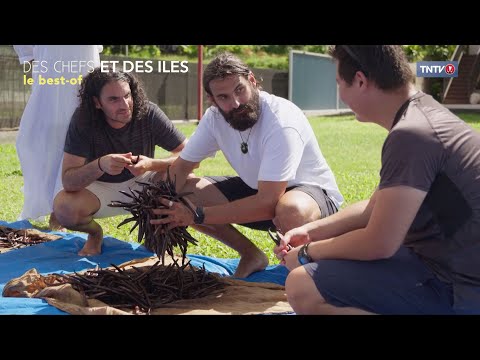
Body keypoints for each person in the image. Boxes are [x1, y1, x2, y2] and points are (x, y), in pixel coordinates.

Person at [274, 45, 480, 315]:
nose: (339, 93)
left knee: (302, 286)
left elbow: (379, 243)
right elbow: (374, 209)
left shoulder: (411, 135)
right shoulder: (424, 115)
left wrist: (307, 253)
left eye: (339, 83)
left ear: (360, 80)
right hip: (447, 265)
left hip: (460, 287)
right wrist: (311, 232)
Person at [150, 52, 343, 278]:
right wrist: (158, 204)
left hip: (310, 197)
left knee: (291, 209)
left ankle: (300, 269)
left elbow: (268, 202)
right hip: (260, 192)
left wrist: (196, 216)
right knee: (171, 186)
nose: (236, 102)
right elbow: (182, 167)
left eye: (239, 90)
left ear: (252, 81)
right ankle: (251, 254)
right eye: (223, 97)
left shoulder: (281, 121)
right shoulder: (214, 118)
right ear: (212, 100)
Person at [53, 67, 187, 256]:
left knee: (180, 175)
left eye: (127, 95)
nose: (124, 105)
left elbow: (190, 156)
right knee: (64, 208)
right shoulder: (84, 119)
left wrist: (151, 164)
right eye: (114, 99)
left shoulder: (149, 113)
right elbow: (69, 180)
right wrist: (100, 164)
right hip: (99, 188)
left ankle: (155, 235)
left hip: (145, 184)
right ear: (97, 103)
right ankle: (95, 234)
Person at [13, 45, 103, 230]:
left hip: (84, 82)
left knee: (77, 139)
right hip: (50, 83)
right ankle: (51, 204)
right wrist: (39, 81)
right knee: (39, 141)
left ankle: (62, 210)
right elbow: (27, 54)